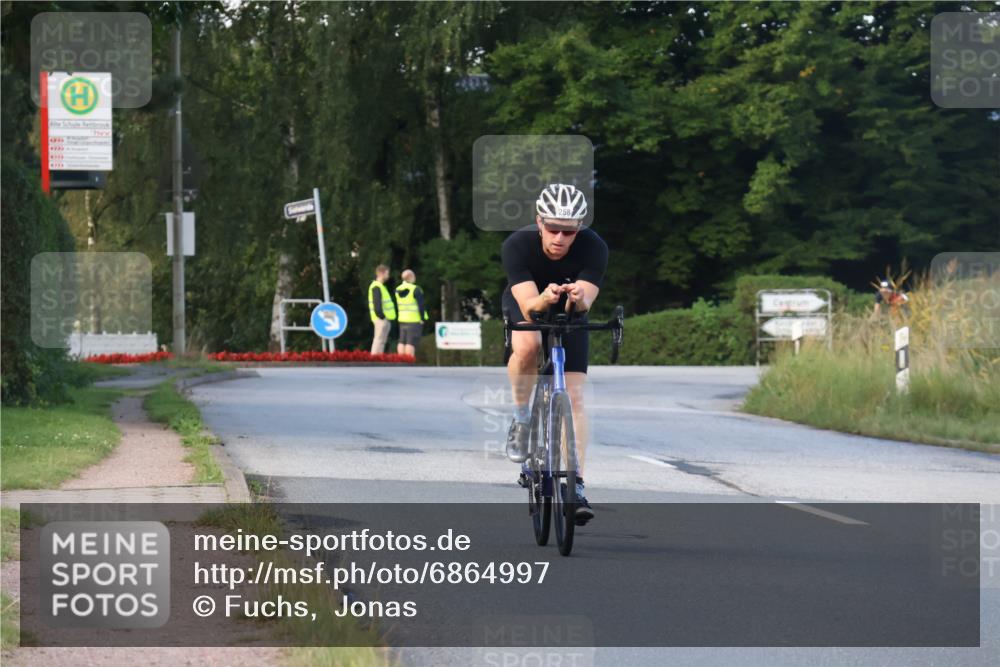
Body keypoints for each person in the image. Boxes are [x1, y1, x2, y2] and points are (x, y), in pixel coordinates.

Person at [502, 183, 607, 526]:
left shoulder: (594, 247)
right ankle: (521, 418)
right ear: (539, 221)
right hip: (528, 300)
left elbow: (587, 301)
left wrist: (577, 297)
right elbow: (530, 308)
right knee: (528, 346)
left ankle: (575, 482)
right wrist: (545, 298)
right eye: (552, 229)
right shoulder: (517, 245)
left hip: (569, 311)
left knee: (575, 397)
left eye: (569, 231)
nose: (560, 237)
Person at [395, 269, 429, 357]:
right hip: (413, 319)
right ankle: (409, 361)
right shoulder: (415, 289)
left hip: (402, 319)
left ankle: (401, 360)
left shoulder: (398, 289)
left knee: (402, 341)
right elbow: (421, 305)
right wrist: (422, 318)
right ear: (410, 277)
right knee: (411, 342)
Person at [368, 265, 396, 354]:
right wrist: (382, 316)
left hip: (384, 318)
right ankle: (374, 360)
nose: (388, 275)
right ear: (381, 273)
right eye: (387, 273)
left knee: (382, 341)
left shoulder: (380, 286)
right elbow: (377, 303)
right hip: (381, 318)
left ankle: (378, 360)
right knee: (378, 339)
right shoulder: (376, 286)